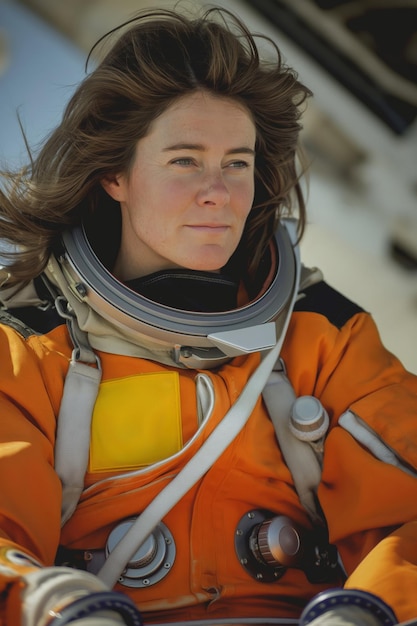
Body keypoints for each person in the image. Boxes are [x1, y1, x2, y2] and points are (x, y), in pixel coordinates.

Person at [0, 6, 416, 626]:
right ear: (115, 172)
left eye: (238, 162)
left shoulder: (321, 336)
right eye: (184, 160)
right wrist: (55, 606)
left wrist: (368, 611)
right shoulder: (29, 347)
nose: (218, 192)